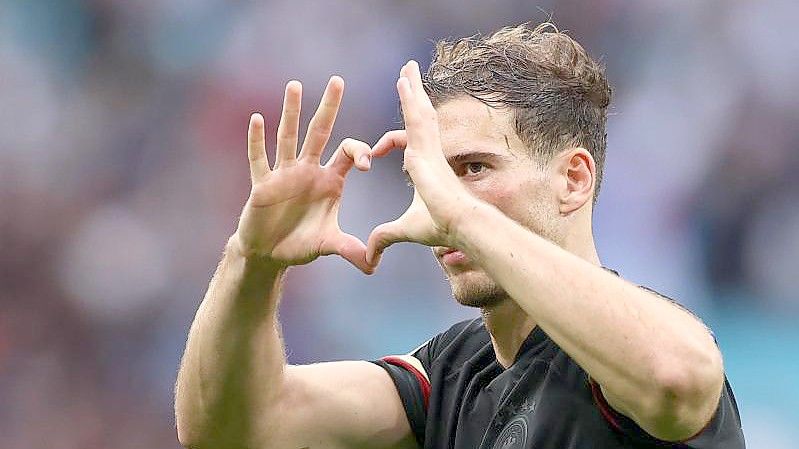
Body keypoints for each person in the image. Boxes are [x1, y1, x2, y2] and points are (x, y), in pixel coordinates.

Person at [174, 23, 745, 449]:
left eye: (474, 168)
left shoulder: (636, 352)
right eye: (428, 177)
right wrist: (251, 261)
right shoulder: (451, 374)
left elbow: (679, 379)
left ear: (573, 180)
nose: (437, 201)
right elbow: (231, 428)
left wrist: (461, 215)